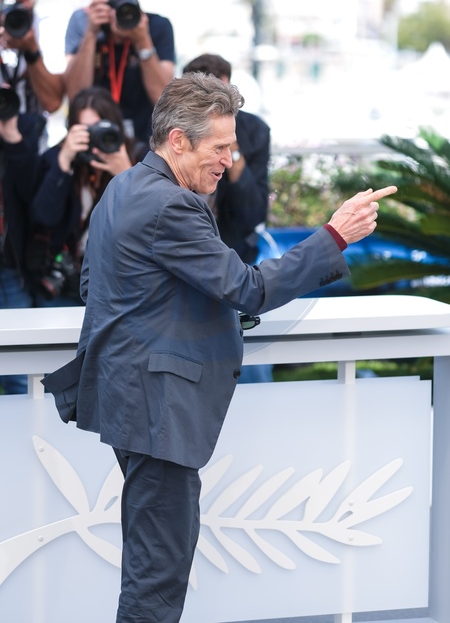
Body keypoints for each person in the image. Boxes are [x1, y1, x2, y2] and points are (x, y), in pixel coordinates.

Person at [42, 73, 397, 622]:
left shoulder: (124, 186)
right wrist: (335, 236)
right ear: (178, 140)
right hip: (157, 412)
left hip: (132, 402)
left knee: (153, 568)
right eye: (220, 147)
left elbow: (97, 286)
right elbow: (249, 289)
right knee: (156, 580)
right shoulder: (169, 205)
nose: (229, 161)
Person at [183, 53, 273, 383]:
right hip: (184, 265)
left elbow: (253, 213)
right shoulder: (174, 131)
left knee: (252, 369)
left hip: (236, 257)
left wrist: (228, 147)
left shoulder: (253, 130)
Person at [30, 86, 135, 307]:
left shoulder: (136, 158)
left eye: (100, 128)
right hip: (65, 282)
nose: (95, 136)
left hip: (118, 284)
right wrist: (64, 162)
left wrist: (127, 174)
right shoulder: (57, 159)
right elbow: (44, 217)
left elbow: (148, 221)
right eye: (86, 130)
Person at [64, 0, 175, 151]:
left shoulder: (157, 26)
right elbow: (75, 95)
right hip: (92, 141)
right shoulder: (82, 22)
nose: (116, 7)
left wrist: (142, 40)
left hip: (146, 143)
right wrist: (91, 34)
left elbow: (164, 100)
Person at [0, 109, 43, 393]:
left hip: (10, 265)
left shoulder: (23, 127)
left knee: (20, 368)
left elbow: (33, 196)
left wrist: (13, 138)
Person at [0, 0, 65, 123]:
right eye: (12, 3)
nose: (21, 9)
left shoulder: (45, 26)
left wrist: (31, 50)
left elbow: (53, 103)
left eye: (25, 0)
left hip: (33, 133)